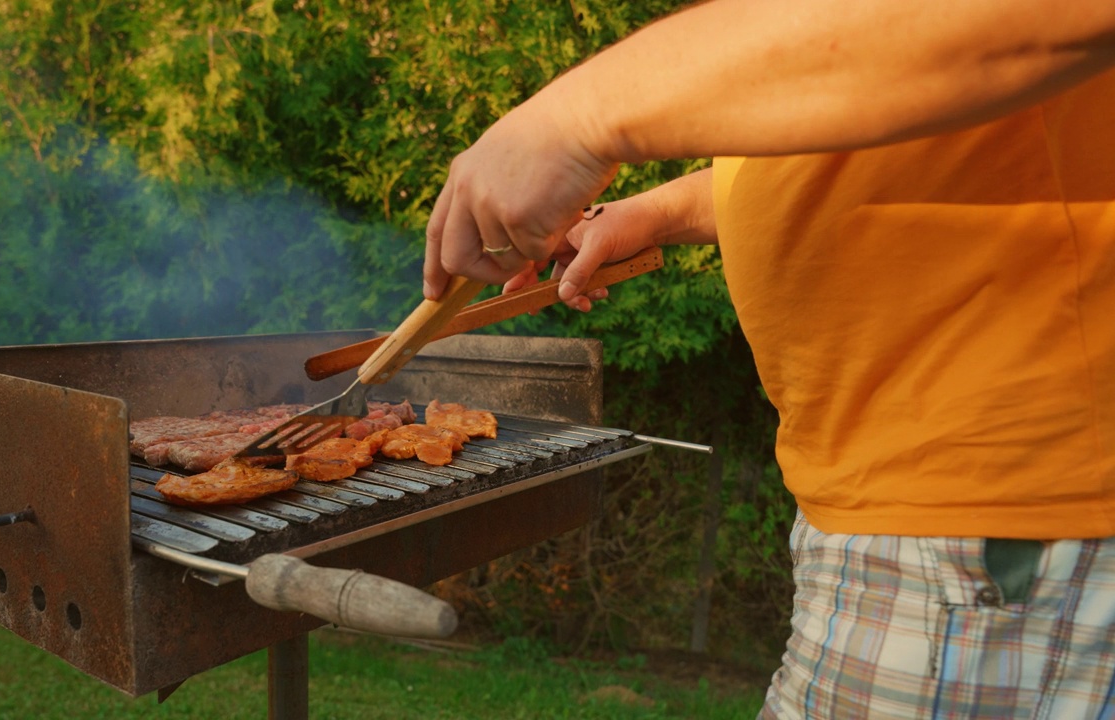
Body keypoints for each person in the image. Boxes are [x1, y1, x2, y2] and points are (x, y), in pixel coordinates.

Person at [422, 1, 1115, 718]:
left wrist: (575, 119)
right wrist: (660, 212)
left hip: (1000, 509)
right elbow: (871, 133)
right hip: (925, 516)